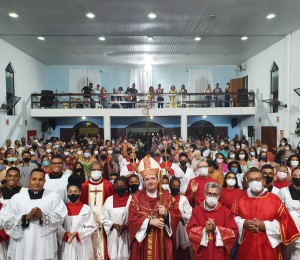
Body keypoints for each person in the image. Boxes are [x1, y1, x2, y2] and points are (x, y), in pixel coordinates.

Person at [231, 167, 300, 259]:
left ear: (263, 181)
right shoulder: (240, 200)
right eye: (251, 180)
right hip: (246, 246)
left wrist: (265, 225)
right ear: (247, 182)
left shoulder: (275, 200)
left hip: (268, 248)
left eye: (257, 179)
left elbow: (287, 224)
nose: (254, 182)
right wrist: (244, 223)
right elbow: (231, 219)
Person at [1, 168, 67, 260]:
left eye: (40, 179)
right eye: (34, 179)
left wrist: (43, 216)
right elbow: (6, 219)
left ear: (44, 181)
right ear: (29, 180)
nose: (37, 182)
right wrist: (25, 218)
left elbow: (61, 216)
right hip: (23, 244)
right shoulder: (17, 198)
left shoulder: (53, 196)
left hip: (45, 244)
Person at [128, 156, 181, 260]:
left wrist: (167, 213)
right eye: (147, 179)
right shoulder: (136, 198)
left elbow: (177, 214)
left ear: (158, 180)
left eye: (153, 178)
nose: (150, 181)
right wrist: (149, 222)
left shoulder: (168, 196)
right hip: (143, 241)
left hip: (162, 238)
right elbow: (132, 218)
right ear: (143, 181)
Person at [187, 182, 238, 260]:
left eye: (215, 195)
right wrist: (204, 230)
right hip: (202, 252)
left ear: (219, 195)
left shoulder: (226, 212)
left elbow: (234, 232)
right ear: (204, 193)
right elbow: (190, 230)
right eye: (209, 194)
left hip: (219, 253)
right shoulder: (197, 210)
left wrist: (216, 229)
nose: (212, 197)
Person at [80, 161, 115, 260]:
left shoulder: (108, 186)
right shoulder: (83, 187)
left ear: (102, 171)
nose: (96, 172)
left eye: (98, 170)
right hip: (88, 223)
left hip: (104, 224)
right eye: (93, 170)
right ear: (89, 172)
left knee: (104, 246)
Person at [58, 174, 97, 260]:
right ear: (67, 193)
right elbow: (58, 226)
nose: (73, 194)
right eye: (70, 192)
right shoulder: (62, 208)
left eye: (75, 191)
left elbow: (91, 227)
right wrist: (65, 233)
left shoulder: (86, 208)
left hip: (82, 244)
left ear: (80, 193)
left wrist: (78, 234)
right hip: (67, 243)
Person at [101, 176, 131, 260]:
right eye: (117, 186)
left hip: (127, 234)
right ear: (114, 186)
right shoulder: (109, 200)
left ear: (126, 186)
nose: (120, 187)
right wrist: (113, 225)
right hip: (113, 234)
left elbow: (135, 216)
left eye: (122, 185)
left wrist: (126, 225)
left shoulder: (131, 199)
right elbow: (103, 218)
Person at [169, 177, 192, 260]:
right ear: (170, 186)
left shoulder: (183, 199)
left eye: (177, 186)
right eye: (173, 185)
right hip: (170, 227)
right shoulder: (166, 198)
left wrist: (181, 217)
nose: (175, 188)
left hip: (181, 226)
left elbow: (189, 213)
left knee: (183, 252)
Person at [280, 167, 300, 259]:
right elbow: (279, 210)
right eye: (295, 176)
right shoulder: (284, 191)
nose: (297, 178)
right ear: (291, 177)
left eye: (299, 176)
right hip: (289, 226)